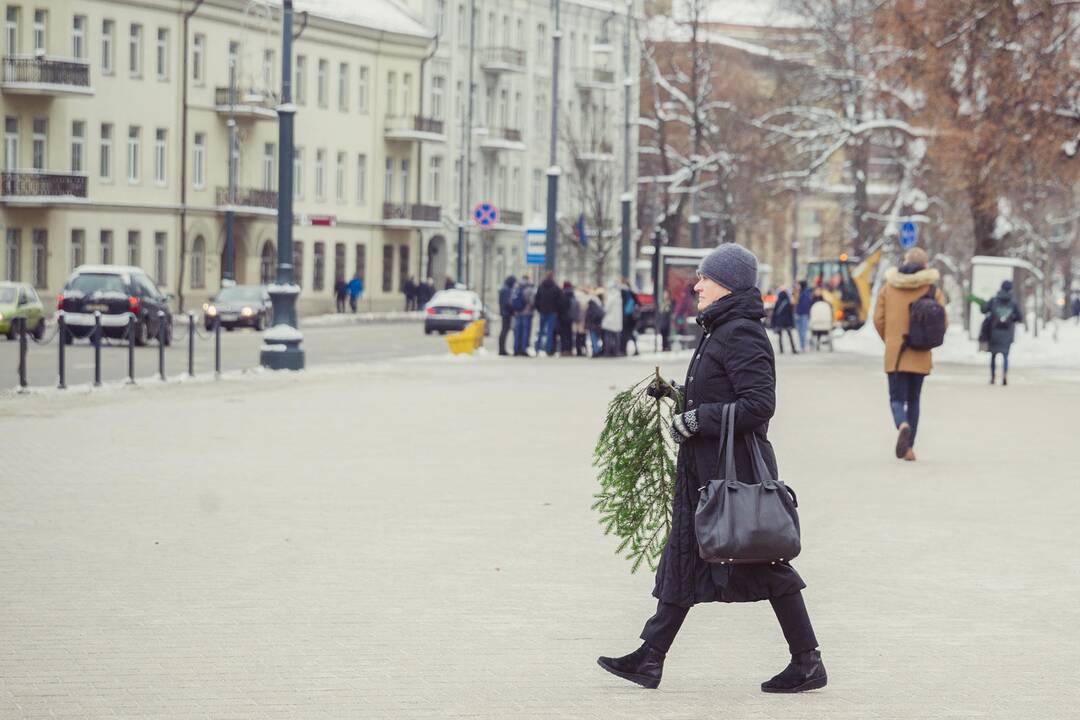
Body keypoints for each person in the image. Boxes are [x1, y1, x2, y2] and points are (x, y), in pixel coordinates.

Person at [597, 243, 825, 694]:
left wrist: (699, 418)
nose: (696, 284)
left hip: (734, 476)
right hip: (704, 472)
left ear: (728, 284)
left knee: (760, 563)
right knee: (684, 559)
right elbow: (721, 391)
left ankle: (807, 661)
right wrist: (677, 394)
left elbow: (759, 404)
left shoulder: (741, 331)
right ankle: (650, 656)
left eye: (704, 277)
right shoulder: (719, 328)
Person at [872, 246, 947, 462]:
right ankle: (909, 448)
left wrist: (891, 339)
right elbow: (943, 321)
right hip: (921, 353)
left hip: (896, 353)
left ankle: (901, 423)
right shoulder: (932, 289)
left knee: (896, 398)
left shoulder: (888, 287)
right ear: (925, 265)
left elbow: (878, 319)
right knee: (914, 400)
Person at [982, 280, 1023, 386]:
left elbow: (984, 309)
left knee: (993, 356)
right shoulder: (1013, 302)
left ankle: (992, 377)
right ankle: (1004, 375)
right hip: (1007, 333)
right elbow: (1019, 317)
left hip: (994, 332)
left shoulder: (994, 300)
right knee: (1005, 356)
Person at [534, 272, 561, 356]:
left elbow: (536, 299)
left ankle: (537, 349)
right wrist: (556, 309)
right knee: (550, 332)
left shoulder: (541, 287)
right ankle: (548, 350)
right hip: (552, 312)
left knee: (541, 331)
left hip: (543, 311)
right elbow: (559, 300)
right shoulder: (555, 287)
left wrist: (539, 309)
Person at [512, 276, 536, 357]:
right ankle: (523, 349)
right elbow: (532, 302)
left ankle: (516, 349)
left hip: (518, 314)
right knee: (525, 332)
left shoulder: (517, 288)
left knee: (517, 332)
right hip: (526, 313)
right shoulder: (529, 289)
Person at [770, 288, 798, 355]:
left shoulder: (778, 302)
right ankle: (793, 349)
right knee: (790, 335)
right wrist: (792, 323)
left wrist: (773, 323)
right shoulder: (788, 302)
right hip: (787, 322)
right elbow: (790, 314)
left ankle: (781, 349)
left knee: (780, 336)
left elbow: (775, 313)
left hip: (780, 322)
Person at [601, 281, 624, 357]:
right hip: (617, 321)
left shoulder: (611, 296)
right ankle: (616, 351)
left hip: (609, 320)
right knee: (617, 337)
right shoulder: (619, 297)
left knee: (608, 337)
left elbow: (606, 308)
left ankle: (607, 352)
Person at [497, 275, 517, 356]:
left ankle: (502, 349)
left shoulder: (504, 288)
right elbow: (507, 302)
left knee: (504, 331)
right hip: (506, 313)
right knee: (504, 331)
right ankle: (502, 349)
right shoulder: (506, 290)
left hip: (504, 312)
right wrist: (513, 310)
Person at [620, 279, 640, 356]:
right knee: (631, 334)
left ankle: (624, 350)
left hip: (627, 318)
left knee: (626, 335)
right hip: (632, 318)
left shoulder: (625, 293)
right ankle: (635, 349)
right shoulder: (632, 293)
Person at [585, 289, 605, 357]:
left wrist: (591, 320)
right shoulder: (598, 303)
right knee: (595, 337)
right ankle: (596, 350)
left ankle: (596, 351)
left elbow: (594, 314)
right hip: (595, 323)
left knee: (593, 338)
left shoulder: (592, 302)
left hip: (592, 323)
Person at [794, 280, 812, 351]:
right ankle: (802, 346)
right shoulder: (802, 292)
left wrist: (798, 313)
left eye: (798, 285)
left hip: (803, 314)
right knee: (800, 331)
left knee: (802, 331)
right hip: (801, 314)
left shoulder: (805, 293)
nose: (797, 286)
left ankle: (803, 346)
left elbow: (803, 305)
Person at [573, 285, 590, 356]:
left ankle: (578, 350)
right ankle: (583, 350)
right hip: (582, 320)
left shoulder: (575, 297)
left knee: (577, 336)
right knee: (582, 336)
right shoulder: (585, 298)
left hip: (576, 320)